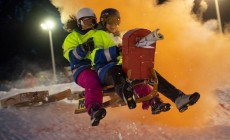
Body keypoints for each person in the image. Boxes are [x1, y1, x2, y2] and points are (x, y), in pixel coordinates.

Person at [90, 8, 200, 114]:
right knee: (116, 73)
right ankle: (126, 94)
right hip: (105, 69)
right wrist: (116, 51)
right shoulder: (98, 35)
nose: (114, 25)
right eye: (110, 21)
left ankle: (178, 97)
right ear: (103, 22)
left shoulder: (120, 36)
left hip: (123, 67)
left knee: (148, 72)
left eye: (116, 21)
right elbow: (95, 56)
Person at [62, 8, 106, 126]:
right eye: (85, 22)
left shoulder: (98, 33)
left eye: (91, 22)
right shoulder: (72, 38)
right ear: (79, 23)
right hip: (82, 69)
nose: (89, 25)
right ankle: (94, 108)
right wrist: (83, 49)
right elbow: (71, 57)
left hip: (99, 66)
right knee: (92, 79)